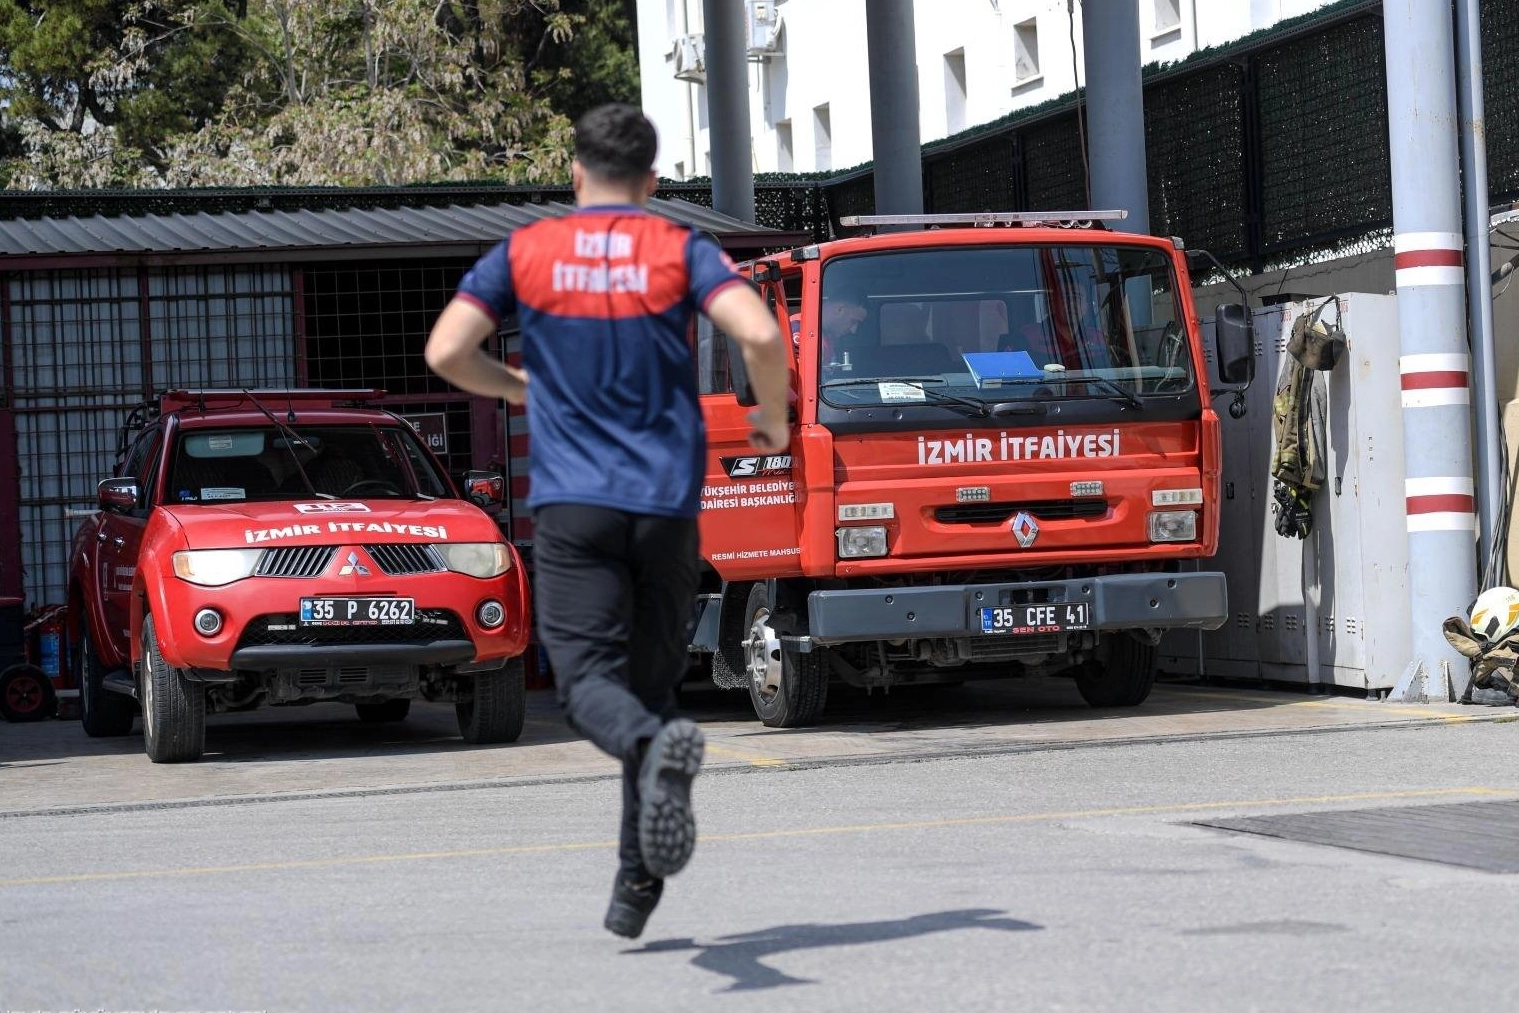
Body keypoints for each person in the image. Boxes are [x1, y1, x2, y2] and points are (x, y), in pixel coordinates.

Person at [423, 104, 790, 940]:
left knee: (592, 686)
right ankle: (635, 885)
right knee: (654, 692)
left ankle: (647, 800)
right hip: (665, 508)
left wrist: (519, 388)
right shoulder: (679, 248)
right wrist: (771, 415)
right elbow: (760, 331)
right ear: (654, 181)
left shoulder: (528, 251)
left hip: (576, 506)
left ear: (575, 172)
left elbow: (446, 351)